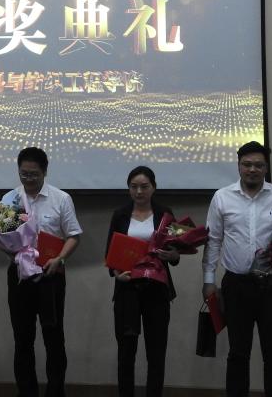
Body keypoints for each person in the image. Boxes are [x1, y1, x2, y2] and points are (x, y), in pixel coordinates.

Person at [202, 141, 272, 397]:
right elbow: (213, 241)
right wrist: (209, 280)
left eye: (258, 165)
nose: (252, 170)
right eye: (247, 164)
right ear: (238, 166)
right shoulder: (222, 197)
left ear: (266, 168)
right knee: (238, 353)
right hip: (236, 286)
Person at [4, 147, 82, 397]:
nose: (28, 179)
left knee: (54, 337)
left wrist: (60, 259)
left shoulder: (61, 198)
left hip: (51, 275)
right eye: (24, 174)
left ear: (45, 172)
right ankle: (27, 392)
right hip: (20, 276)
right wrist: (10, 250)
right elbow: (2, 238)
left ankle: (55, 391)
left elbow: (74, 236)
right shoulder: (9, 200)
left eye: (34, 174)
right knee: (22, 338)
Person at [104, 166, 179, 397]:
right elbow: (110, 254)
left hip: (157, 290)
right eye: (134, 187)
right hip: (127, 290)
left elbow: (176, 252)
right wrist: (116, 273)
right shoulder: (120, 214)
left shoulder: (165, 213)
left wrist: (172, 255)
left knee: (156, 353)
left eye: (144, 186)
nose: (139, 191)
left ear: (154, 187)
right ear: (128, 189)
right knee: (126, 353)